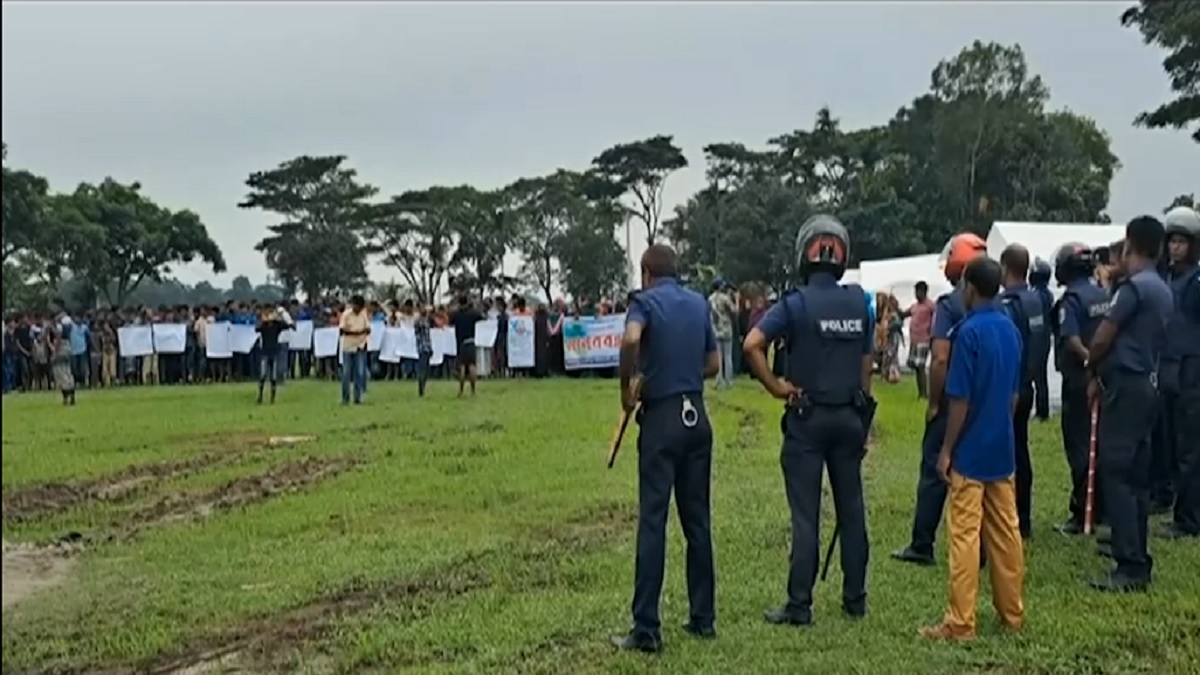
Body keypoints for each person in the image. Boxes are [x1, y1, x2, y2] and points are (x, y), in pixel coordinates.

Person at [742, 215, 874, 626]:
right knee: (852, 509)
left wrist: (776, 387)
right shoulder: (859, 302)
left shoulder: (794, 304)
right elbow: (866, 365)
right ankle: (855, 598)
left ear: (804, 253)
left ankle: (800, 603)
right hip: (849, 417)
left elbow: (752, 344)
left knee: (806, 515)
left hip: (807, 418)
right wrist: (862, 413)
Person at [611, 244, 719, 653]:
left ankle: (646, 628)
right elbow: (713, 364)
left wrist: (628, 386)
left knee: (654, 522)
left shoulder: (644, 302)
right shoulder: (698, 303)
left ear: (646, 273)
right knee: (698, 522)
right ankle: (703, 618)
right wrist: (682, 372)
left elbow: (630, 339)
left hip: (661, 421)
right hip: (696, 417)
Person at [921, 256, 1025, 641]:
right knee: (1006, 533)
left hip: (971, 451)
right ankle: (1012, 614)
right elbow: (1013, 395)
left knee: (965, 535)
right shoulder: (1010, 329)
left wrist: (948, 448)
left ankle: (960, 622)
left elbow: (960, 398)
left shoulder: (967, 333)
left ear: (970, 288)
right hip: (1002, 447)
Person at [1085, 216, 1174, 591]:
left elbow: (1103, 338)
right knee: (1137, 475)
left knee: (1117, 473)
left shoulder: (1133, 289)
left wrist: (1091, 365)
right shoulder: (1162, 288)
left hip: (1126, 386)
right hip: (1147, 384)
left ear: (1130, 245)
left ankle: (1129, 563)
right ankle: (1135, 551)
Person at [892, 232, 988, 566]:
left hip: (953, 400)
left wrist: (934, 403)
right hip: (985, 403)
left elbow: (941, 359)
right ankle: (983, 548)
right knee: (981, 474)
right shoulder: (999, 305)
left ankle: (922, 544)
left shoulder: (949, 305)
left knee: (935, 468)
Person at [1049, 243, 1111, 535]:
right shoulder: (1103, 294)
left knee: (1079, 447)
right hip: (1105, 379)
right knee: (1100, 444)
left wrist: (1089, 361)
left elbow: (1071, 339)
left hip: (1078, 381)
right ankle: (1103, 506)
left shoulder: (1070, 301)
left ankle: (1082, 511)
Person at [998, 244, 1048, 539]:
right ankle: (1024, 517)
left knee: (1007, 453)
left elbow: (1005, 348)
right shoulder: (1036, 300)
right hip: (1028, 384)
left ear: (1005, 267)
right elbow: (1041, 345)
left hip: (1011, 389)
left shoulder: (1008, 303)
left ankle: (1010, 516)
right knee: (1021, 450)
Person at [1160, 205, 1200, 539]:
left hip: (1191, 367)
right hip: (1169, 366)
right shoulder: (1167, 278)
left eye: (1181, 242)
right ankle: (1173, 504)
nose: (1175, 248)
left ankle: (1189, 519)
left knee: (1189, 445)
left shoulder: (1196, 281)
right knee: (1171, 441)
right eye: (1171, 241)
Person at [1029, 258, 1054, 421]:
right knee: (1041, 376)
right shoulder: (1047, 294)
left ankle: (1042, 410)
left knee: (1037, 376)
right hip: (1044, 338)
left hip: (1037, 338)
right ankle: (1042, 408)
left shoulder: (1037, 295)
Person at [902, 282, 936, 400]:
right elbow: (904, 314)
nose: (916, 294)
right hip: (914, 340)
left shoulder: (930, 306)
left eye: (918, 292)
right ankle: (921, 392)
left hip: (924, 340)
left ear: (924, 292)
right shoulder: (915, 306)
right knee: (915, 366)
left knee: (920, 366)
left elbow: (936, 319)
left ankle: (924, 393)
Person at [338, 295, 371, 405]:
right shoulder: (346, 314)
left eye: (360, 308)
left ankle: (358, 398)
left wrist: (361, 333)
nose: (358, 309)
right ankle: (345, 398)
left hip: (360, 347)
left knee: (359, 373)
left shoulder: (363, 314)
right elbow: (342, 330)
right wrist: (358, 332)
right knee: (346, 373)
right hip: (348, 347)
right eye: (357, 306)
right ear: (353, 305)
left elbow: (368, 329)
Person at [450, 295, 482, 397]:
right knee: (472, 365)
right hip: (471, 341)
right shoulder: (472, 313)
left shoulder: (456, 314)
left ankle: (461, 390)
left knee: (462, 367)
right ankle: (473, 390)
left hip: (461, 343)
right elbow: (481, 315)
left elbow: (450, 320)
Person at [255, 306, 289, 404]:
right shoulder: (263, 326)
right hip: (265, 352)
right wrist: (263, 320)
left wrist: (278, 318)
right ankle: (260, 396)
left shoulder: (276, 325)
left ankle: (272, 398)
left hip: (274, 352)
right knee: (263, 375)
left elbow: (286, 325)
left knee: (273, 377)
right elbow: (256, 328)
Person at [708, 279, 737, 390]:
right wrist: (736, 300)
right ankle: (729, 380)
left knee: (719, 356)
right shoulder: (725, 298)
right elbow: (734, 311)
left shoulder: (710, 299)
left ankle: (719, 380)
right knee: (728, 356)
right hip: (726, 329)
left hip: (715, 329)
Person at [51, 313, 77, 406]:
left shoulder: (59, 327)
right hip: (68, 348)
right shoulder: (70, 326)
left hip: (61, 348)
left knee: (61, 373)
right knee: (68, 372)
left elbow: (58, 340)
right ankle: (72, 395)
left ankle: (66, 397)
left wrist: (54, 353)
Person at [414, 305, 434, 397]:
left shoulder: (425, 321)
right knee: (422, 369)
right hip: (422, 347)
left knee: (426, 370)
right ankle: (421, 389)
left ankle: (423, 388)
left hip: (426, 347)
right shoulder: (420, 321)